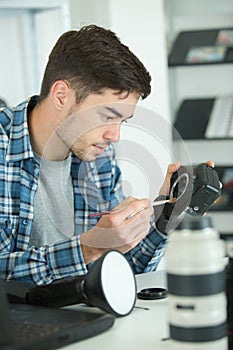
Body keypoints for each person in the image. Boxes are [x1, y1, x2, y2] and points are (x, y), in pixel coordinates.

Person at [0, 25, 212, 285]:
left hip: (83, 318)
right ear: (61, 95)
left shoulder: (98, 156)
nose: (115, 135)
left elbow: (125, 267)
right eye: (107, 116)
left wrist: (165, 215)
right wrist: (87, 249)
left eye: (122, 121)